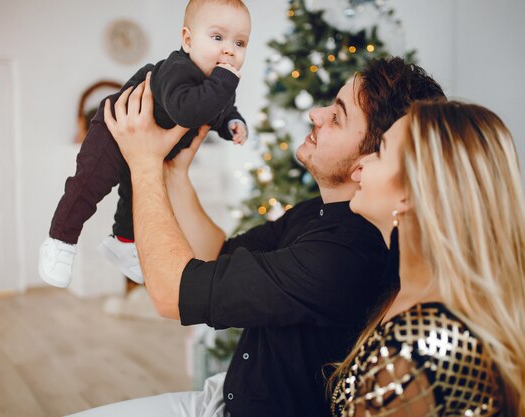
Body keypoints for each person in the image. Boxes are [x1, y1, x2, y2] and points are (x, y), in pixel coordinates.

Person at [64, 58, 445, 417]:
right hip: (226, 397)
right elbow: (218, 254)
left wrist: (143, 165)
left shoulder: (344, 255)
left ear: (369, 159)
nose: (315, 114)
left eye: (337, 117)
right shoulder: (319, 212)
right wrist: (174, 173)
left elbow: (171, 294)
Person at [330, 101, 525, 417]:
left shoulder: (418, 348)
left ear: (411, 192)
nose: (360, 164)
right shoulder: (403, 296)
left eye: (380, 151)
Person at [39, 0, 251, 288]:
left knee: (137, 196)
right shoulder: (179, 69)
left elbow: (219, 111)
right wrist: (225, 81)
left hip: (150, 148)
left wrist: (231, 124)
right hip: (116, 130)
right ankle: (59, 240)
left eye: (240, 43)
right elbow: (188, 110)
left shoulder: (218, 87)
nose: (229, 50)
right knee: (89, 185)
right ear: (187, 40)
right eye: (217, 37)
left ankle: (124, 243)